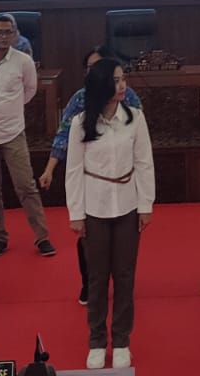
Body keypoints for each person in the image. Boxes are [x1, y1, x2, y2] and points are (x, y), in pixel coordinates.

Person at [67, 57, 154, 370]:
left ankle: (121, 341)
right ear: (101, 84)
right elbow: (73, 170)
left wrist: (146, 205)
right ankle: (96, 341)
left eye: (123, 79)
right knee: (97, 278)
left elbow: (144, 163)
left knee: (125, 277)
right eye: (116, 80)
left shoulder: (135, 118)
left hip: (128, 206)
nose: (122, 86)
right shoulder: (80, 124)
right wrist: (76, 213)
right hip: (95, 208)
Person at [39, 46, 141, 304]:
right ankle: (90, 283)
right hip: (92, 183)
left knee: (122, 245)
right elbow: (63, 135)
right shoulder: (79, 100)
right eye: (90, 68)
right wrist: (50, 168)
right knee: (88, 240)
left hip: (122, 181)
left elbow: (138, 139)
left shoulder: (128, 97)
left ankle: (121, 284)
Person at [0, 13, 54, 257]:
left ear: (16, 35)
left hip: (13, 131)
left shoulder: (24, 61)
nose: (4, 37)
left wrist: (11, 108)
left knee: (26, 186)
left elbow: (30, 90)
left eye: (9, 32)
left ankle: (42, 237)